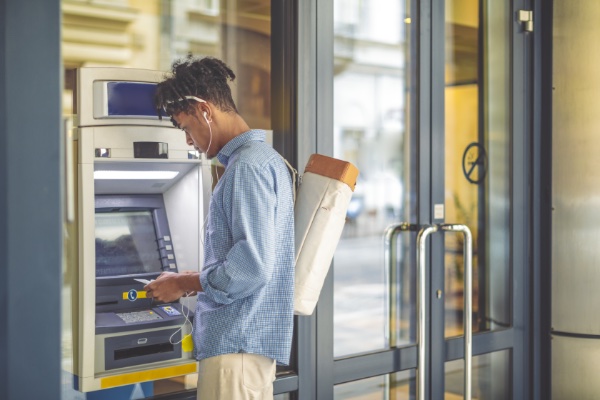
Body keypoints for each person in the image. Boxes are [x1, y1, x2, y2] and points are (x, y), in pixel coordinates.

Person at [147, 55, 295, 400]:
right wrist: (201, 277)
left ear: (205, 111)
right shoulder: (265, 160)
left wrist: (184, 283)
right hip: (243, 349)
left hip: (235, 350)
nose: (188, 140)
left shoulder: (247, 167)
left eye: (186, 128)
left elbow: (252, 267)